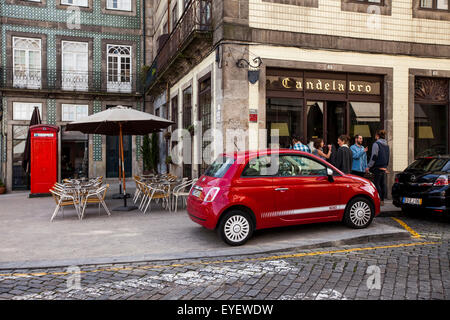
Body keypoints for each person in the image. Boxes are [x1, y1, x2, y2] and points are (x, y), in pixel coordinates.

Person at [366, 130, 390, 205]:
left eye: (375, 135)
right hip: (383, 167)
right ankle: (382, 200)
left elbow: (374, 156)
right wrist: (385, 166)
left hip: (377, 167)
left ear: (377, 136)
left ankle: (378, 200)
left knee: (377, 184)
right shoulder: (386, 145)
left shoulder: (376, 144)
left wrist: (368, 166)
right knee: (382, 184)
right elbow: (388, 156)